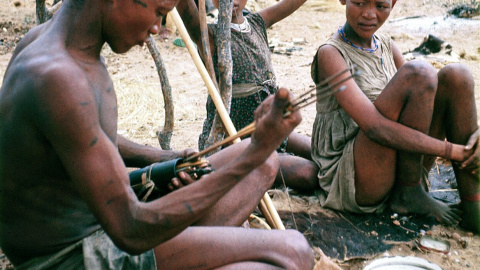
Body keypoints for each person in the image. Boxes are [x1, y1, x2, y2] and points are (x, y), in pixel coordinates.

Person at [0, 0, 315, 268]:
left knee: (267, 164)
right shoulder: (59, 78)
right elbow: (130, 230)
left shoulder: (49, 43)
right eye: (158, 11)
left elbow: (84, 134)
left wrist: (166, 157)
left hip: (101, 220)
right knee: (293, 251)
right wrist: (253, 152)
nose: (156, 28)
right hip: (72, 254)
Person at [304, 0, 480, 233]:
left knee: (457, 76)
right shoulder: (331, 54)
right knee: (420, 71)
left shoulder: (387, 46)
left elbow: (421, 98)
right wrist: (450, 150)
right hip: (356, 174)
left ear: (393, 3)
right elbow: (374, 127)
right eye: (359, 2)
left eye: (380, 6)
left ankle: (473, 206)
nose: (369, 14)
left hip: (399, 165)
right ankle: (409, 191)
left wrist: (474, 135)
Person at [177, 0, 319, 192]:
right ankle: (259, 169)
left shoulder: (258, 22)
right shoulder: (208, 35)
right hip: (238, 140)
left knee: (319, 152)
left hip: (269, 126)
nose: (230, 1)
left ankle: (274, 159)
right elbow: (187, 12)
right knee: (308, 173)